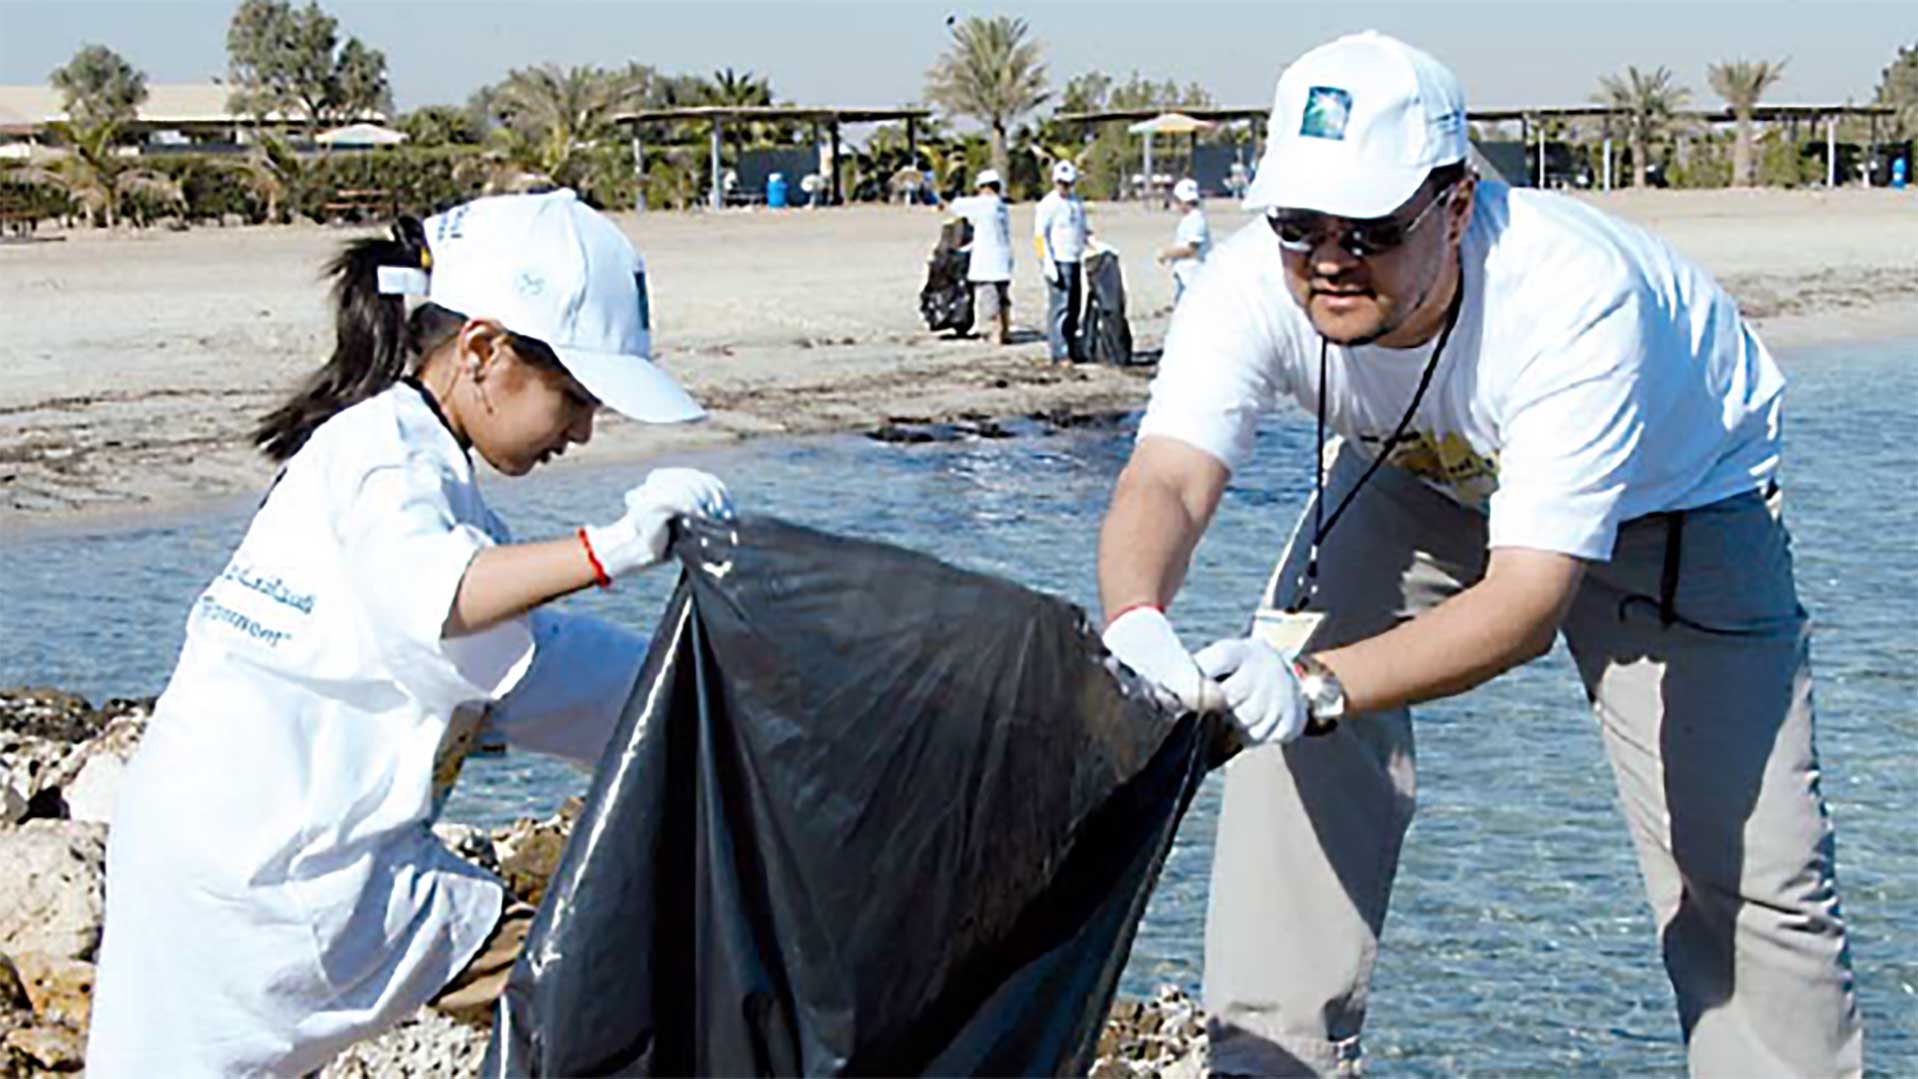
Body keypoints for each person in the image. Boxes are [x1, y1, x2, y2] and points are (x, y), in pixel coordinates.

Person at [1096, 31, 1861, 1078]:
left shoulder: (1572, 299)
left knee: (1739, 863)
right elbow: (1170, 477)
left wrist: (1315, 685)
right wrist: (1136, 616)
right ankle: (1268, 1059)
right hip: (1419, 471)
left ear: (1454, 205)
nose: (1327, 258)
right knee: (1271, 720)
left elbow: (1525, 604)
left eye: (1367, 227)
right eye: (1297, 222)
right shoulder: (1247, 284)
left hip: (1678, 496)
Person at [86, 189, 736, 1075]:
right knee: (592, 986)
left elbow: (526, 665)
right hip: (275, 878)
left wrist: (708, 698)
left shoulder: (407, 462)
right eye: (575, 395)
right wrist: (616, 547)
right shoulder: (382, 460)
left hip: (236, 855)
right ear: (483, 350)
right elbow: (444, 597)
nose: (584, 430)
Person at [947, 168, 1015, 345]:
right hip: (1003, 258)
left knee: (990, 300)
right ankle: (1005, 331)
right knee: (1003, 298)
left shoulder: (984, 204)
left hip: (987, 261)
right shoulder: (1001, 206)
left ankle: (996, 334)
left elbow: (955, 206)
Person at [1035, 159, 1091, 362]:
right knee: (1060, 307)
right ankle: (1059, 351)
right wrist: (1047, 264)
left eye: (1068, 183)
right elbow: (1040, 237)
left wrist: (1092, 245)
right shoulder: (1048, 205)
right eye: (1061, 183)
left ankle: (1073, 345)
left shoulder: (1076, 203)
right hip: (1058, 261)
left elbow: (1083, 230)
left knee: (1074, 306)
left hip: (1075, 260)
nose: (1065, 187)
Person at [1155, 177, 1212, 303]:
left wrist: (1166, 253)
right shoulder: (1191, 219)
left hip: (1192, 277)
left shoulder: (1196, 220)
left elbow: (1191, 250)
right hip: (1185, 275)